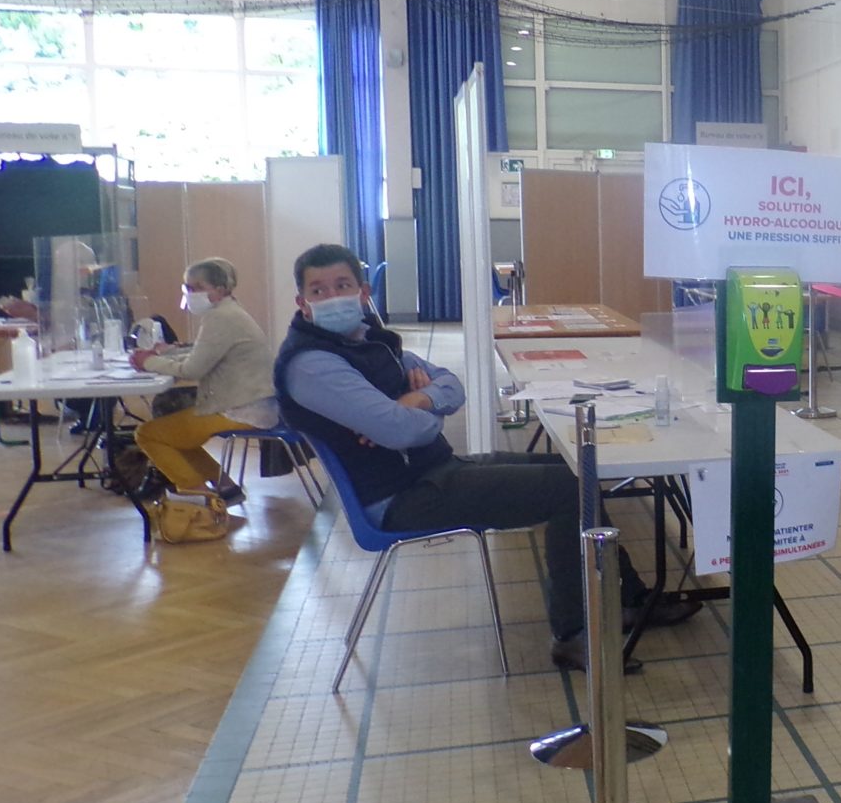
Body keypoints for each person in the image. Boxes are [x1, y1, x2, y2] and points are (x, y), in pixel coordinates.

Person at [273, 244, 697, 672]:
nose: (332, 297)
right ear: (302, 302)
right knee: (567, 491)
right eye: (319, 290)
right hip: (401, 497)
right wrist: (417, 412)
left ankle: (629, 600)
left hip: (433, 470)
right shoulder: (312, 364)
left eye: (342, 285)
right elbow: (400, 430)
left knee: (574, 468)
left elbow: (451, 385)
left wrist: (416, 400)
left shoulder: (370, 341)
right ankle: (572, 635)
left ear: (363, 292)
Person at [129, 258, 278, 506]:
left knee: (148, 434)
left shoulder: (220, 318)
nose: (191, 293)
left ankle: (202, 500)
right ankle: (225, 488)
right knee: (175, 434)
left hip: (243, 410)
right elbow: (202, 355)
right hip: (253, 404)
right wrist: (161, 356)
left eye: (197, 287)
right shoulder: (229, 311)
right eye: (187, 287)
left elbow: (192, 369)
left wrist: (149, 362)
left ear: (219, 290)